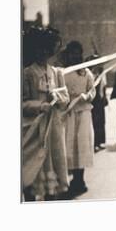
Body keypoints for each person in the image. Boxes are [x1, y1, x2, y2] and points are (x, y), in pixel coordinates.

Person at [21, 26, 70, 201]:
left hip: (54, 128)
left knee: (53, 168)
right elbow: (21, 103)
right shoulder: (27, 74)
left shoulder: (56, 73)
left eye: (47, 50)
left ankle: (51, 199)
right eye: (40, 49)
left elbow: (65, 99)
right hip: (34, 128)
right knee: (32, 168)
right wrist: (39, 105)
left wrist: (56, 97)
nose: (44, 53)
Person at [62, 41, 96, 196]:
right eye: (72, 53)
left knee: (82, 145)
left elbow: (92, 90)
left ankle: (80, 179)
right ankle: (69, 180)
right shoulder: (63, 73)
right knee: (70, 145)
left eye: (78, 53)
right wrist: (68, 99)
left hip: (83, 113)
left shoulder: (87, 72)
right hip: (69, 113)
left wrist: (87, 96)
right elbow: (61, 92)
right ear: (68, 55)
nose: (75, 56)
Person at [86, 54, 108, 152]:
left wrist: (105, 97)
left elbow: (104, 86)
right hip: (93, 100)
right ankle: (94, 144)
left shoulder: (102, 73)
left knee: (101, 122)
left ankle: (100, 141)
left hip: (100, 100)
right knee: (94, 122)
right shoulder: (90, 74)